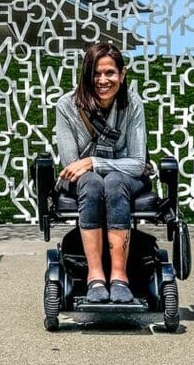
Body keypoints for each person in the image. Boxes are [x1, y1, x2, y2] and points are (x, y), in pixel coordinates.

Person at [55, 42, 148, 303]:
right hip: (86, 184)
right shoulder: (67, 106)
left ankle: (119, 276)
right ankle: (95, 276)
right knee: (93, 183)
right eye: (96, 73)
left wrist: (95, 162)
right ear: (86, 74)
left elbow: (138, 163)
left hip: (122, 181)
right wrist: (91, 167)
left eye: (110, 73)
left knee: (115, 181)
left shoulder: (132, 104)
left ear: (122, 73)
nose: (103, 80)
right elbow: (72, 166)